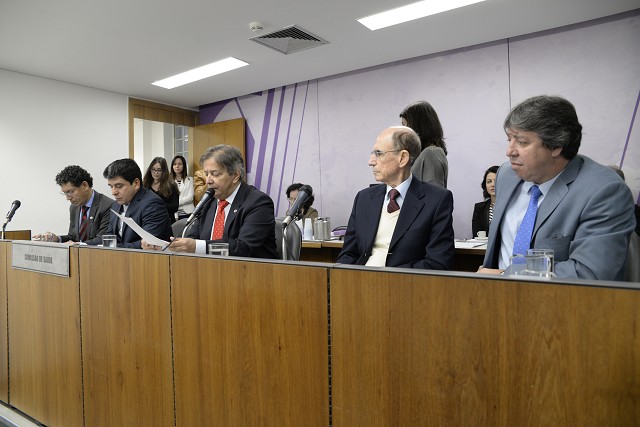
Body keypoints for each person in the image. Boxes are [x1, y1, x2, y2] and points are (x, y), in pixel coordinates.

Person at [479, 95, 635, 280]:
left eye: (522, 142)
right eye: (509, 140)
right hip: (495, 294)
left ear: (556, 146)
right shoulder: (506, 174)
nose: (509, 151)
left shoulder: (604, 192)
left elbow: (590, 273)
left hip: (561, 298)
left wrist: (507, 274)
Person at [337, 126, 455, 269]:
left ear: (402, 158)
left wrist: (388, 278)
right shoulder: (364, 198)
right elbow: (348, 255)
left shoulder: (436, 200)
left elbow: (437, 263)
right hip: (361, 279)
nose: (371, 161)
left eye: (379, 153)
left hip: (404, 281)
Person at [154, 145, 278, 258]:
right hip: (210, 270)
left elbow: (243, 247)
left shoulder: (258, 203)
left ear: (235, 175)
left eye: (215, 174)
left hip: (251, 272)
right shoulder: (209, 201)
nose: (208, 180)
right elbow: (193, 238)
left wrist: (196, 246)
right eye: (206, 174)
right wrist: (168, 247)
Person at [101, 158, 173, 249]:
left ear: (136, 183)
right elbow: (110, 237)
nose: (113, 192)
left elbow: (148, 244)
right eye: (111, 187)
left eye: (119, 186)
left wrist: (112, 247)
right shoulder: (116, 205)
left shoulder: (153, 204)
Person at [34, 165, 113, 244]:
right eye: (65, 193)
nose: (68, 198)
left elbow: (103, 239)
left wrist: (78, 245)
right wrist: (57, 239)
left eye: (70, 192)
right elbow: (73, 237)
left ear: (85, 185)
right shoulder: (74, 207)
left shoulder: (107, 206)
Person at [399, 100, 448, 188]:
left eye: (405, 125)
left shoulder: (432, 153)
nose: (402, 131)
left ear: (418, 126)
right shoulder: (423, 154)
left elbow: (433, 193)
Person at [142, 157, 179, 223]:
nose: (156, 173)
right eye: (153, 169)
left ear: (164, 171)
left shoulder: (171, 186)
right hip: (149, 220)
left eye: (159, 170)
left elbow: (175, 207)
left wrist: (158, 204)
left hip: (166, 221)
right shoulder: (145, 184)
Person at [472, 165, 499, 238]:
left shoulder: (510, 207)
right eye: (489, 182)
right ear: (485, 185)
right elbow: (476, 236)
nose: (492, 185)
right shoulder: (479, 208)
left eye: (496, 181)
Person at [170, 155, 194, 219]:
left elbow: (190, 198)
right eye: (174, 164)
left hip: (189, 213)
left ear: (184, 166)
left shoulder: (190, 180)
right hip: (174, 214)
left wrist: (176, 203)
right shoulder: (168, 181)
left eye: (179, 164)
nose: (177, 166)